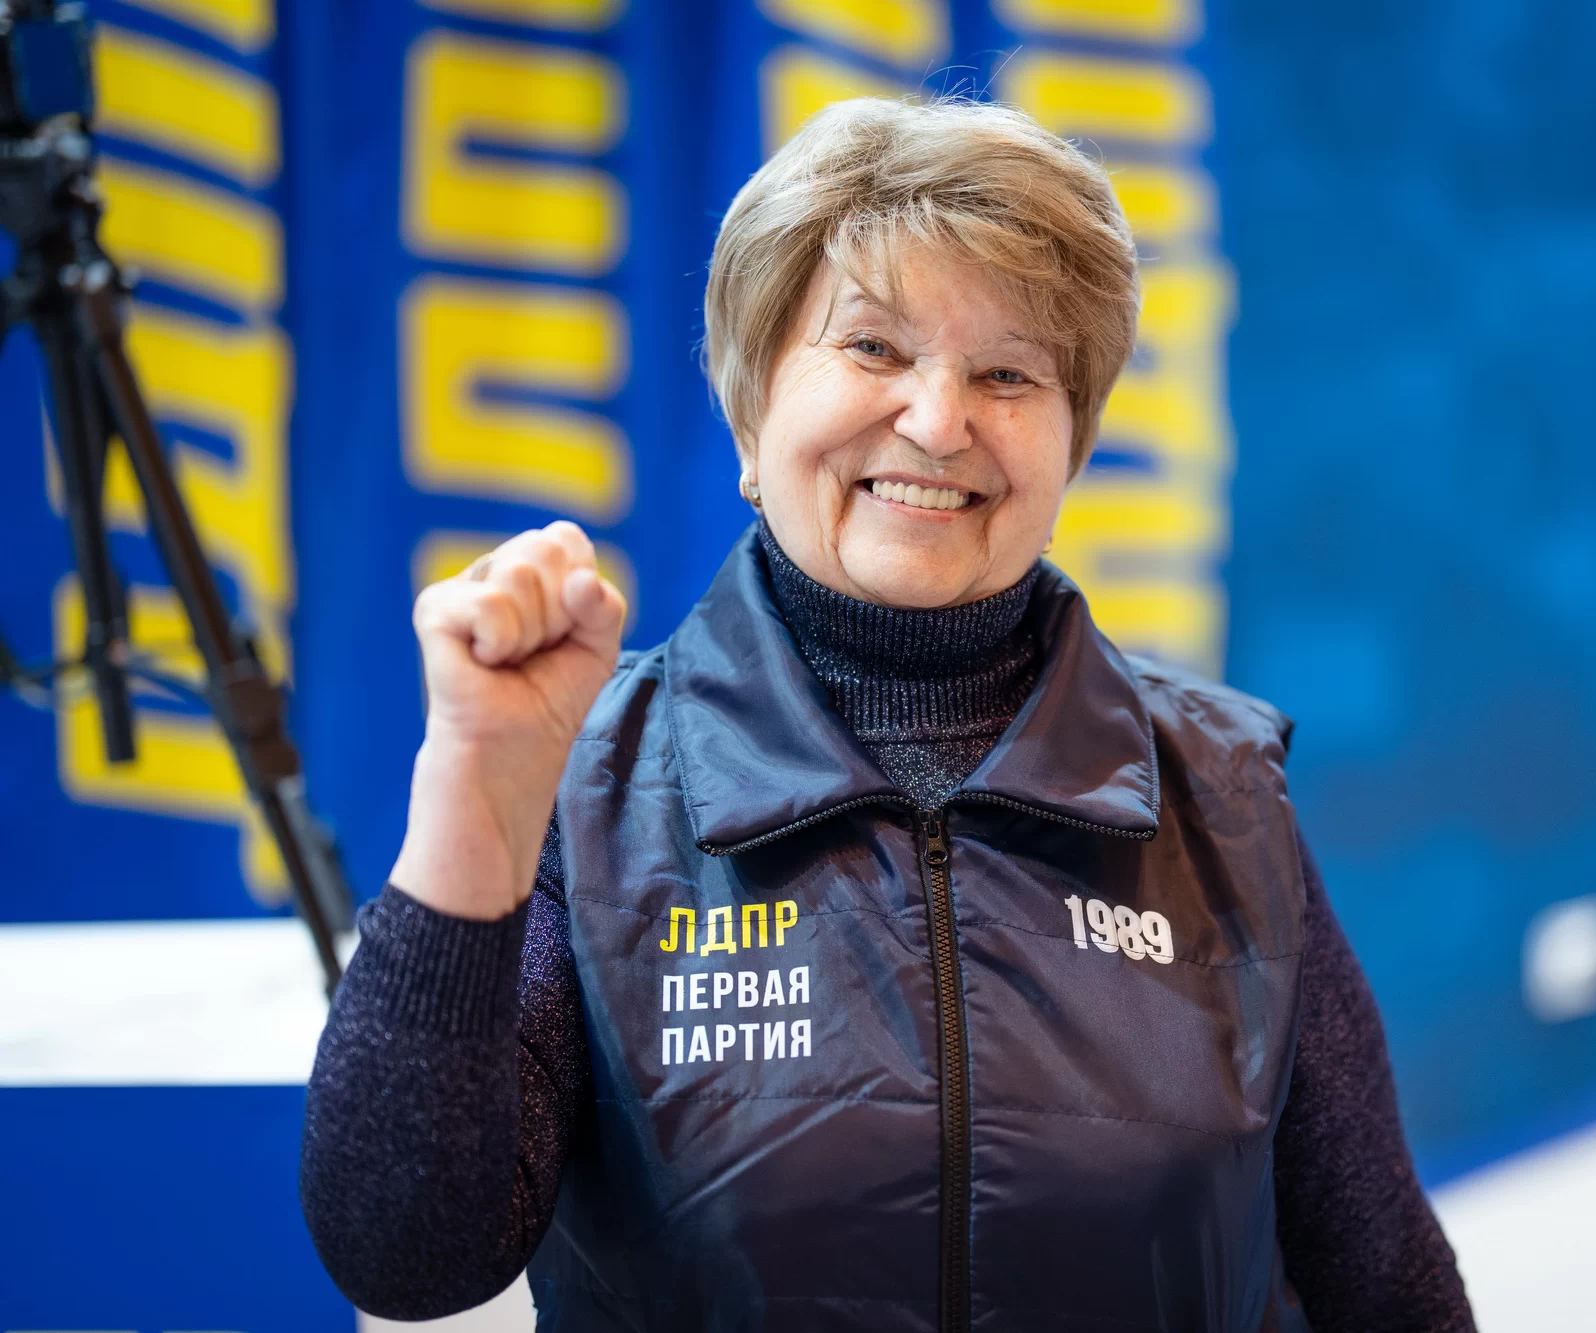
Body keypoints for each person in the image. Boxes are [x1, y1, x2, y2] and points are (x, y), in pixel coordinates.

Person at [300, 96, 1473, 1332]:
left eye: (1007, 372)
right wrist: (476, 798)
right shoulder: (586, 793)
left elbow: (1390, 1290)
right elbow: (405, 1252)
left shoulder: (1220, 794)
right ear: (750, 407)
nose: (937, 420)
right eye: (872, 348)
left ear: (1071, 443)